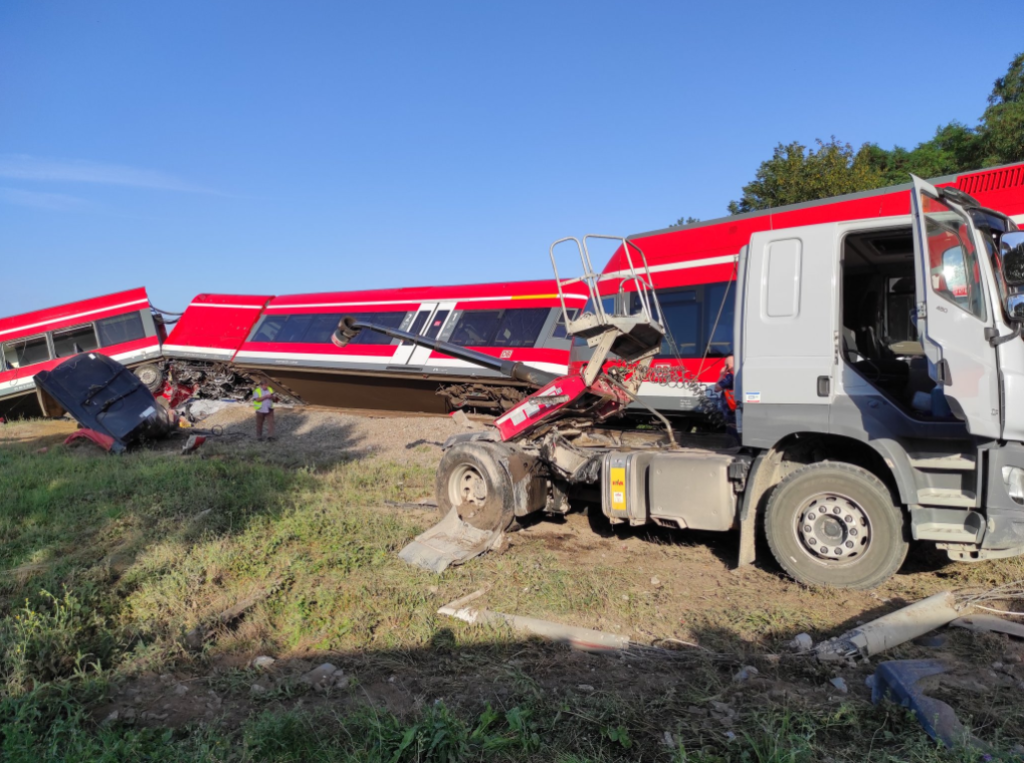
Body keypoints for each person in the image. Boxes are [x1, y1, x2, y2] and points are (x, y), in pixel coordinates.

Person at [714, 355, 738, 443]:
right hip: (737, 406)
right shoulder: (739, 375)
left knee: (731, 427)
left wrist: (721, 374)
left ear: (728, 366)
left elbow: (717, 388)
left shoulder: (729, 377)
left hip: (731, 408)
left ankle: (734, 446)